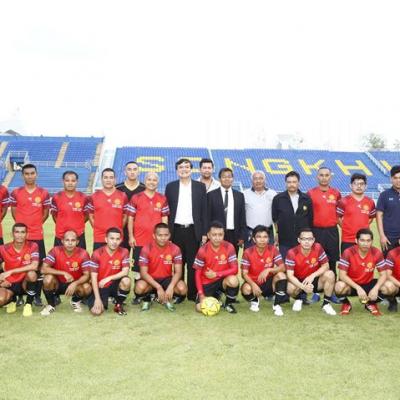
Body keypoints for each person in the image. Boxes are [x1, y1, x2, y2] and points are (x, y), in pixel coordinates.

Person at [165, 158, 207, 301]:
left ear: (191, 169)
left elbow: (204, 211)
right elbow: (167, 211)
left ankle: (192, 293)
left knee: (193, 264)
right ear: (177, 170)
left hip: (193, 230)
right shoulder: (170, 187)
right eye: (181, 167)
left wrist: (204, 232)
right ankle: (180, 293)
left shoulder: (200, 187)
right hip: (175, 230)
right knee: (178, 263)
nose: (184, 169)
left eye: (187, 167)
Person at [9, 163, 50, 306]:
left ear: (36, 174)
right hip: (21, 238)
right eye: (27, 174)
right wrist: (22, 229)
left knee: (38, 267)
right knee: (20, 265)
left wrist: (36, 225)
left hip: (37, 236)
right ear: (22, 176)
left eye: (32, 173)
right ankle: (20, 295)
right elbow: (14, 212)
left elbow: (46, 213)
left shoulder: (43, 193)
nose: (30, 176)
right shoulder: (16, 192)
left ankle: (36, 296)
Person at [127, 172, 169, 304]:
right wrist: (131, 236)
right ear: (145, 181)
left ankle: (153, 293)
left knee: (154, 268)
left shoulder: (162, 198)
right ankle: (139, 295)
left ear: (158, 182)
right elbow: (130, 218)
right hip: (139, 240)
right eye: (149, 179)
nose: (152, 182)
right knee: (138, 270)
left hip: (156, 242)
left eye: (154, 180)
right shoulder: (136, 197)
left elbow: (164, 218)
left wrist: (164, 236)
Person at [335, 228, 394, 316]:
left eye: (368, 241)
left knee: (390, 287)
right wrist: (358, 288)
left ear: (372, 241)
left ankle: (370, 303)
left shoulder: (376, 252)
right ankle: (346, 304)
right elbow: (342, 275)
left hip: (368, 283)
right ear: (356, 241)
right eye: (362, 240)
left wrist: (375, 288)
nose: (365, 244)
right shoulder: (348, 252)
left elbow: (383, 274)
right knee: (339, 286)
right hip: (352, 285)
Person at [134, 223, 187, 312]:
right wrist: (158, 287)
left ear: (169, 235)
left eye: (166, 235)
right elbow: (143, 273)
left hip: (166, 279)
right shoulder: (146, 249)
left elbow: (178, 272)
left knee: (182, 289)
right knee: (139, 287)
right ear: (154, 236)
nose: (163, 238)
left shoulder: (175, 249)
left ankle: (166, 295)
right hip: (150, 280)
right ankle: (150, 296)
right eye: (160, 235)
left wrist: (171, 286)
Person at [285, 228, 337, 315]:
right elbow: (289, 275)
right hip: (298, 281)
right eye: (304, 239)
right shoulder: (292, 253)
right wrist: (303, 287)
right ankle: (299, 299)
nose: (307, 242)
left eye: (309, 239)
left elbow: (326, 266)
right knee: (289, 288)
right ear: (299, 240)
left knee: (330, 274)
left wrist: (312, 275)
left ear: (313, 240)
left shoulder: (318, 247)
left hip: (314, 280)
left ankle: (326, 304)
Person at [40, 230, 92, 315]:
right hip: (57, 284)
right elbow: (43, 269)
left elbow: (87, 275)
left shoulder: (83, 253)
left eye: (73, 240)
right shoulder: (55, 251)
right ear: (62, 241)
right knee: (47, 279)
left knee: (87, 288)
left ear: (77, 242)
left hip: (75, 284)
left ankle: (75, 301)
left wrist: (75, 283)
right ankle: (51, 305)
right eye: (67, 240)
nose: (70, 243)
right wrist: (63, 273)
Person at [240, 225, 287, 316]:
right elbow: (244, 274)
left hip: (269, 283)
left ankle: (277, 305)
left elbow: (283, 267)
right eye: (259, 237)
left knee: (281, 275)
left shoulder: (273, 249)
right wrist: (253, 284)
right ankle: (255, 301)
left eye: (265, 237)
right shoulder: (247, 252)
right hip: (254, 282)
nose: (262, 240)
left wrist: (269, 270)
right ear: (254, 239)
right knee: (245, 289)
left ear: (268, 239)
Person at [193, 221, 239, 314]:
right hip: (207, 283)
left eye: (220, 235)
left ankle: (228, 304)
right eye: (214, 235)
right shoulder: (202, 250)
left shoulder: (229, 247)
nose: (217, 238)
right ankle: (217, 300)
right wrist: (201, 294)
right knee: (199, 308)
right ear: (208, 235)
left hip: (222, 280)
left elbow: (235, 269)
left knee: (233, 281)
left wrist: (216, 274)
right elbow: (197, 274)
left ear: (224, 235)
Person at [87, 228, 131, 316]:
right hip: (101, 286)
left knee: (126, 281)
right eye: (112, 238)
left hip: (114, 284)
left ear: (121, 240)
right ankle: (101, 299)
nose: (114, 242)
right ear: (106, 239)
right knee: (97, 312)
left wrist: (108, 278)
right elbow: (93, 278)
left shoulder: (124, 252)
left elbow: (125, 272)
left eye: (117, 239)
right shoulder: (97, 253)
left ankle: (118, 304)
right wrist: (97, 299)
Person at [272, 171, 313, 259]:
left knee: (302, 265)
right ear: (285, 183)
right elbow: (275, 219)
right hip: (284, 241)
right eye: (289, 182)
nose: (291, 184)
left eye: (294, 182)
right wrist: (277, 234)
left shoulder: (306, 199)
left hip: (302, 241)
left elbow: (310, 219)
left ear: (298, 183)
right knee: (285, 265)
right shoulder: (278, 199)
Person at [0, 223, 39, 317]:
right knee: (1, 299)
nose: (20, 235)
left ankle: (28, 304)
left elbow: (34, 266)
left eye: (23, 232)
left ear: (27, 234)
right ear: (12, 234)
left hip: (24, 283)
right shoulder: (3, 248)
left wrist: (11, 271)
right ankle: (12, 301)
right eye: (17, 232)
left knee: (32, 274)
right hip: (9, 283)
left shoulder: (33, 246)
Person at [307, 166, 341, 274]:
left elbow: (340, 213)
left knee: (332, 261)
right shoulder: (310, 193)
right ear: (317, 177)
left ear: (330, 177)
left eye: (327, 175)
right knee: (315, 260)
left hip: (332, 231)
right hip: (316, 231)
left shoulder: (336, 193)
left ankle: (332, 282)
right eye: (321, 175)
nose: (324, 178)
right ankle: (315, 282)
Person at [85, 168, 128, 250]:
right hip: (99, 237)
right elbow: (90, 215)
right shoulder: (94, 196)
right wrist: (97, 228)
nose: (108, 180)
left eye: (111, 177)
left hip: (116, 237)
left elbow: (125, 216)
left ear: (115, 179)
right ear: (101, 179)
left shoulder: (123, 196)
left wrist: (118, 229)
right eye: (106, 177)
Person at [207, 167, 246, 254]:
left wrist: (242, 236)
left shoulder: (239, 196)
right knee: (216, 258)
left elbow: (242, 217)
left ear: (232, 179)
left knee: (232, 259)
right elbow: (208, 216)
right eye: (224, 177)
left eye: (229, 176)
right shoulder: (211, 195)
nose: (227, 179)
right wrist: (209, 233)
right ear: (219, 179)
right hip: (216, 234)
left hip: (234, 235)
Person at [336, 173, 376, 253]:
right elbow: (338, 217)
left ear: (366, 186)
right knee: (347, 261)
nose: (359, 186)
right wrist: (346, 227)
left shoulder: (370, 202)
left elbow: (371, 218)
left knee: (363, 260)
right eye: (356, 184)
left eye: (361, 184)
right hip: (348, 239)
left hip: (364, 239)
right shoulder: (343, 201)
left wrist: (363, 225)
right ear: (351, 186)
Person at [51, 170, 88, 249]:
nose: (70, 183)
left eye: (73, 181)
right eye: (67, 180)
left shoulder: (84, 197)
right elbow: (54, 215)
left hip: (78, 235)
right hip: (61, 236)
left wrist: (77, 225)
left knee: (81, 257)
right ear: (63, 181)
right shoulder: (56, 197)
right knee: (59, 256)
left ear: (77, 182)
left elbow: (86, 215)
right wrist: (63, 225)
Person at [116, 160, 145, 251]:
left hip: (139, 229)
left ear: (138, 172)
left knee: (139, 257)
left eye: (135, 169)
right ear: (125, 172)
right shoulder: (117, 188)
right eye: (129, 169)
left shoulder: (144, 189)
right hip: (122, 228)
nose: (132, 172)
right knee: (122, 256)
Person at [243, 170, 276, 248]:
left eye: (261, 178)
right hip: (250, 232)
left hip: (268, 232)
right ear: (252, 181)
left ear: (265, 180)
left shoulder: (273, 194)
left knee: (268, 254)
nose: (258, 181)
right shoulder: (244, 194)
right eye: (255, 178)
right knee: (249, 254)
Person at [376, 165, 400, 256]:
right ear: (391, 179)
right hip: (388, 238)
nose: (398, 180)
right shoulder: (384, 195)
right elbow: (379, 216)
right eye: (395, 178)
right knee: (388, 264)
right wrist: (382, 236)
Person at [385, 246, 400, 312]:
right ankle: (392, 301)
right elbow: (388, 275)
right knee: (388, 286)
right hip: (396, 284)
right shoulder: (392, 253)